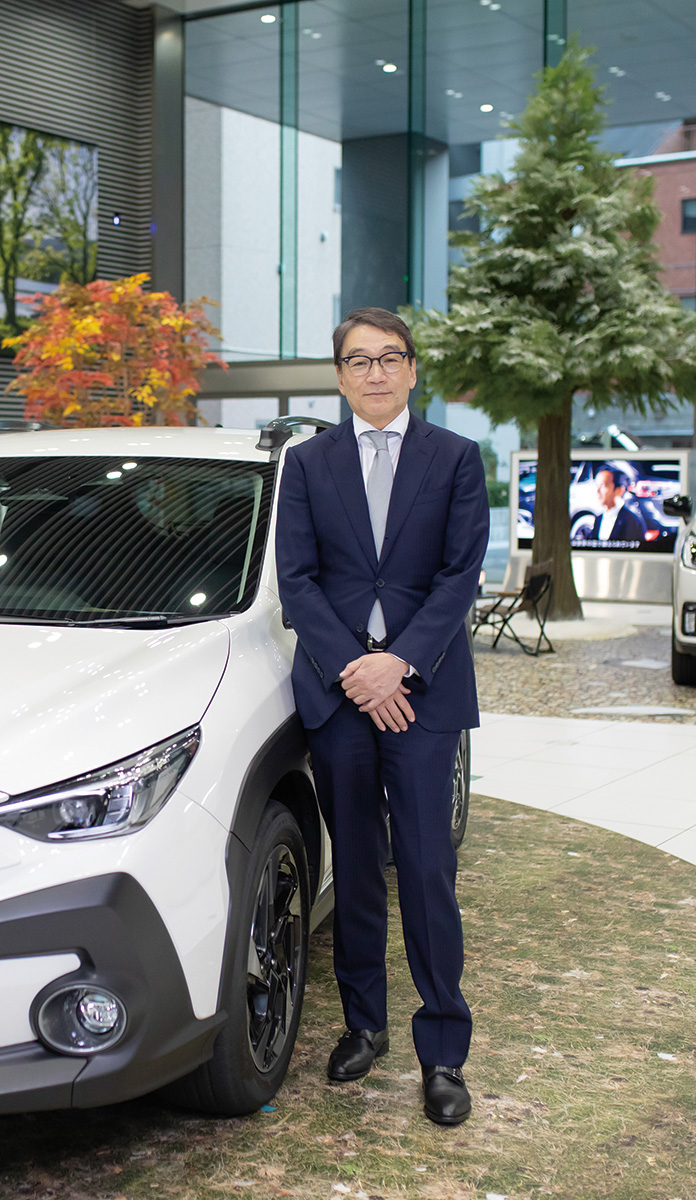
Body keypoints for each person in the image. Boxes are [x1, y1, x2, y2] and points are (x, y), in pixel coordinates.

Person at [274, 307, 487, 1126]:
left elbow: (458, 576)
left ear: (411, 367)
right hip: (338, 694)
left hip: (423, 692)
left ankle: (444, 1050)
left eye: (387, 357)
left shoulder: (456, 460)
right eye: (356, 361)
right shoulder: (308, 463)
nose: (373, 373)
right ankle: (364, 1023)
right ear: (338, 375)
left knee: (428, 868)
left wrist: (397, 662)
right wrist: (355, 671)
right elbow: (298, 579)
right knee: (355, 860)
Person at [593, 465, 647, 546]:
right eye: (597, 486)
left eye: (603, 486)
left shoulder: (632, 521)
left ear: (619, 490)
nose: (597, 491)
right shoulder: (598, 519)